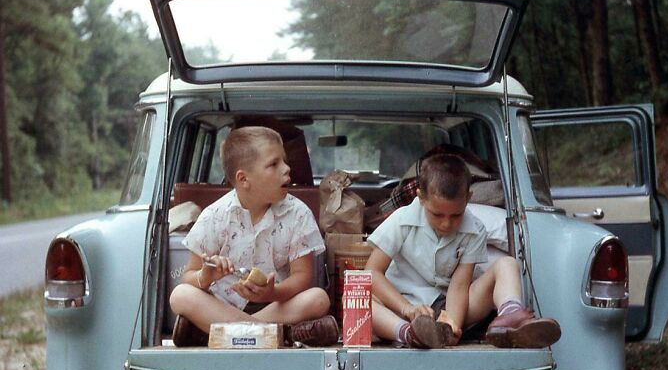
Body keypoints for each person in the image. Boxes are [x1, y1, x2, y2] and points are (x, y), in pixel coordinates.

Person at [366, 152, 561, 349]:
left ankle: (510, 317)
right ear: (421, 198)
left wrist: (451, 324)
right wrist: (407, 309)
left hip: (448, 306)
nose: (446, 223)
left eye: (455, 215)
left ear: (468, 198)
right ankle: (409, 334)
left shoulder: (474, 230)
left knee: (507, 264)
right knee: (360, 300)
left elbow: (459, 286)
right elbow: (372, 273)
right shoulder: (401, 220)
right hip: (402, 306)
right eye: (437, 214)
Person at [169, 126, 338, 347]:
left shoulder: (298, 213)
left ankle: (216, 333)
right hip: (223, 306)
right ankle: (280, 335)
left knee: (318, 298)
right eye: (274, 164)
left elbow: (303, 277)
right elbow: (189, 276)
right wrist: (207, 275)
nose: (287, 169)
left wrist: (272, 293)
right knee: (180, 295)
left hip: (276, 304)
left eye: (284, 161)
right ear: (243, 179)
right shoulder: (215, 215)